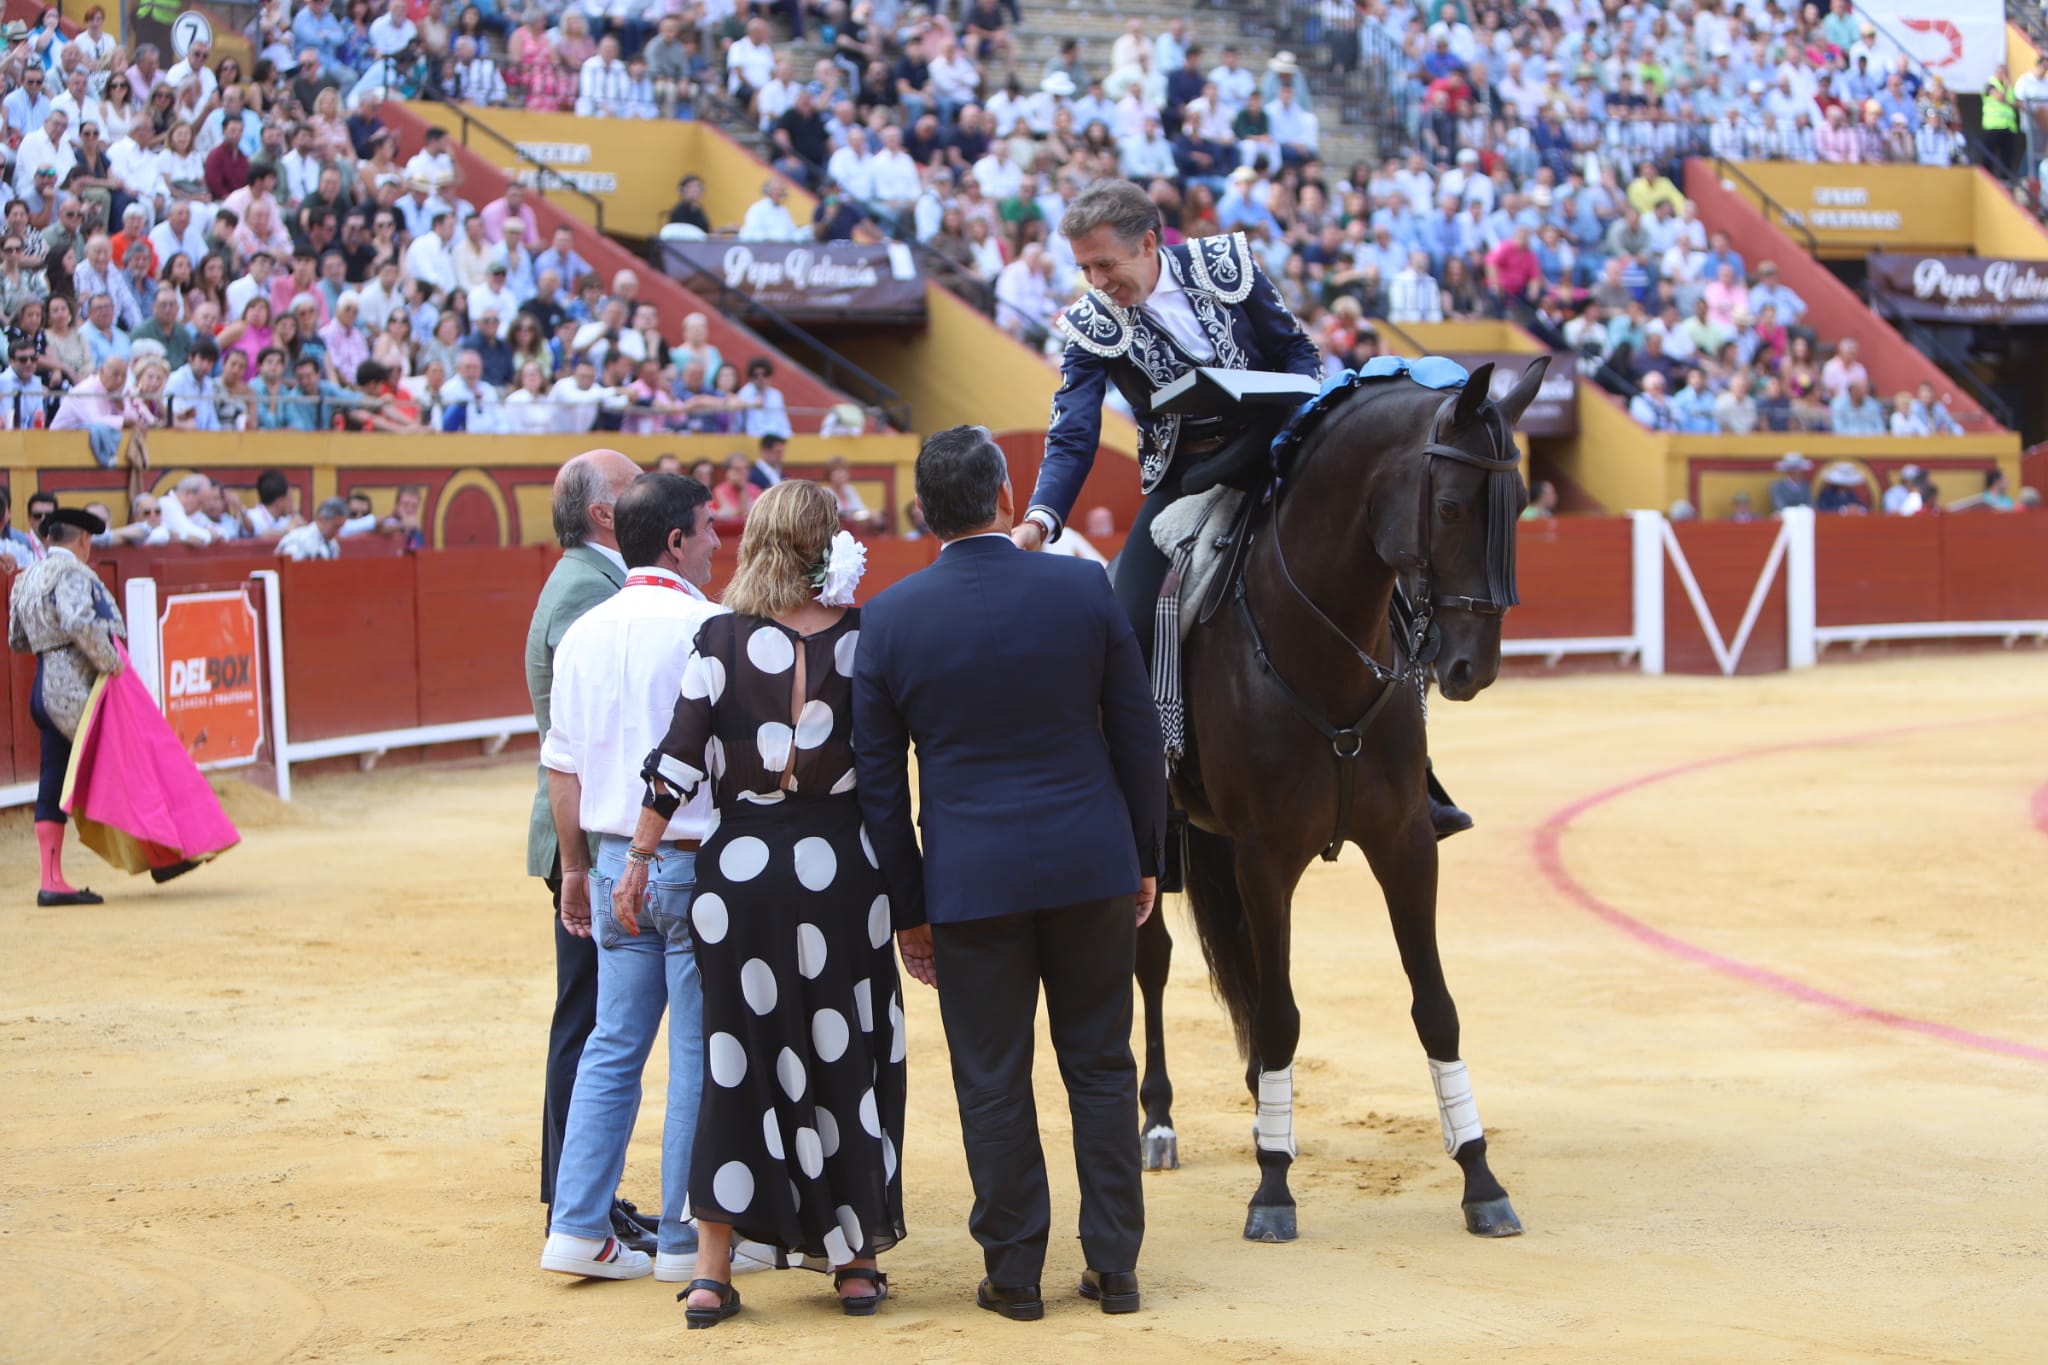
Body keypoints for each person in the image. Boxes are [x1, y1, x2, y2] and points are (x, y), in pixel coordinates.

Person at [1018, 179, 1470, 838]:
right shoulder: (1090, 325)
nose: (1096, 283)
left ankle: (1413, 775)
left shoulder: (1225, 265)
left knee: (1383, 576)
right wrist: (1040, 518)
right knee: (1128, 621)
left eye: (1104, 265)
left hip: (1280, 452)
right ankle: (1152, 808)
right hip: (1187, 480)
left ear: (1149, 243)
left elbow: (1297, 353)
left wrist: (1296, 421)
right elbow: (1073, 432)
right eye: (1085, 269)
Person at [853, 426, 1164, 1322]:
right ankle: (1115, 1263)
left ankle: (1016, 1272)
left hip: (969, 879)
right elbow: (1137, 734)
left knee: (992, 1075)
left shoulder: (890, 618)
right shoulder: (1082, 587)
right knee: (1101, 1064)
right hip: (1090, 862)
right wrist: (1144, 855)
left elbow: (881, 787)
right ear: (1003, 496)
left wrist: (909, 906)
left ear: (923, 512)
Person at [630, 478, 904, 1326]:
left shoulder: (718, 635)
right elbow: (888, 770)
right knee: (844, 1055)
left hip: (739, 880)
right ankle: (853, 1261)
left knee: (735, 1062)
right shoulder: (865, 635)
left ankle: (711, 1272)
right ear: (826, 544)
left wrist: (637, 857)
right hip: (842, 876)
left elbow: (677, 762)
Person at [538, 472, 745, 1285]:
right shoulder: (710, 627)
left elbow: (561, 769)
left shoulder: (584, 632)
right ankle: (685, 1237)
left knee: (612, 1044)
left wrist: (576, 868)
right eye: (708, 528)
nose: (718, 542)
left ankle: (577, 1225)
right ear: (676, 540)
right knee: (694, 1048)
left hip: (609, 855)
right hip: (691, 861)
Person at [522, 448, 660, 1257]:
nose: (647, 488)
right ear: (605, 512)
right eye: (633, 481)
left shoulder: (589, 578)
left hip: (592, 832)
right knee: (591, 1023)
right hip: (588, 836)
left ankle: (584, 1196)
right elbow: (582, 734)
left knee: (591, 1019)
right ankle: (576, 1201)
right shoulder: (586, 587)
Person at [8, 506, 125, 906]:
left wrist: (49, 644)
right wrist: (111, 662)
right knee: (125, 758)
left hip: (42, 689)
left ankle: (51, 880)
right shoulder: (72, 573)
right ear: (84, 540)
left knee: (53, 778)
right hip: (76, 689)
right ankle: (158, 851)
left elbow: (16, 640)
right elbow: (78, 622)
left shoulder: (26, 577)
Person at [277, 496, 349, 561]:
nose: (337, 532)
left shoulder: (333, 545)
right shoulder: (298, 540)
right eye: (336, 527)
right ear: (321, 519)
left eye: (340, 527)